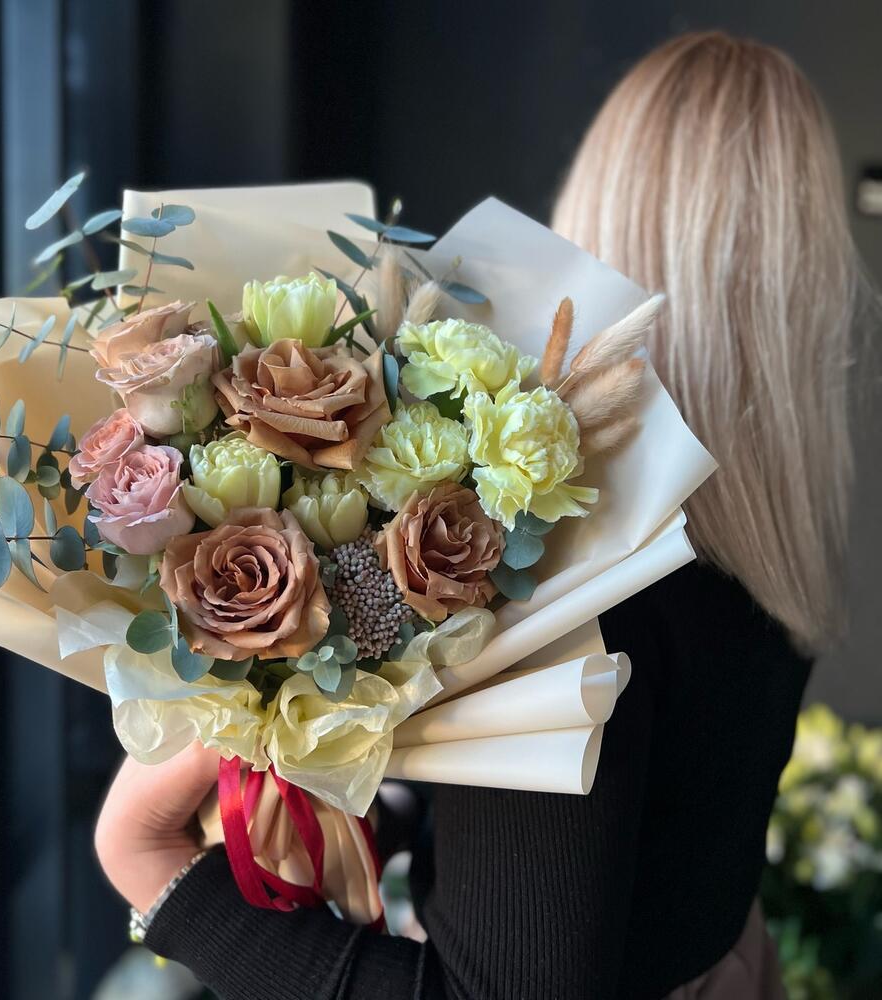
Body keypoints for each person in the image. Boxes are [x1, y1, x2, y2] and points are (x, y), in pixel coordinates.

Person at [95, 32, 866, 999]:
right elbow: (643, 837)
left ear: (593, 220)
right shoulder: (776, 543)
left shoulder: (578, 593)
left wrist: (152, 867)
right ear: (810, 287)